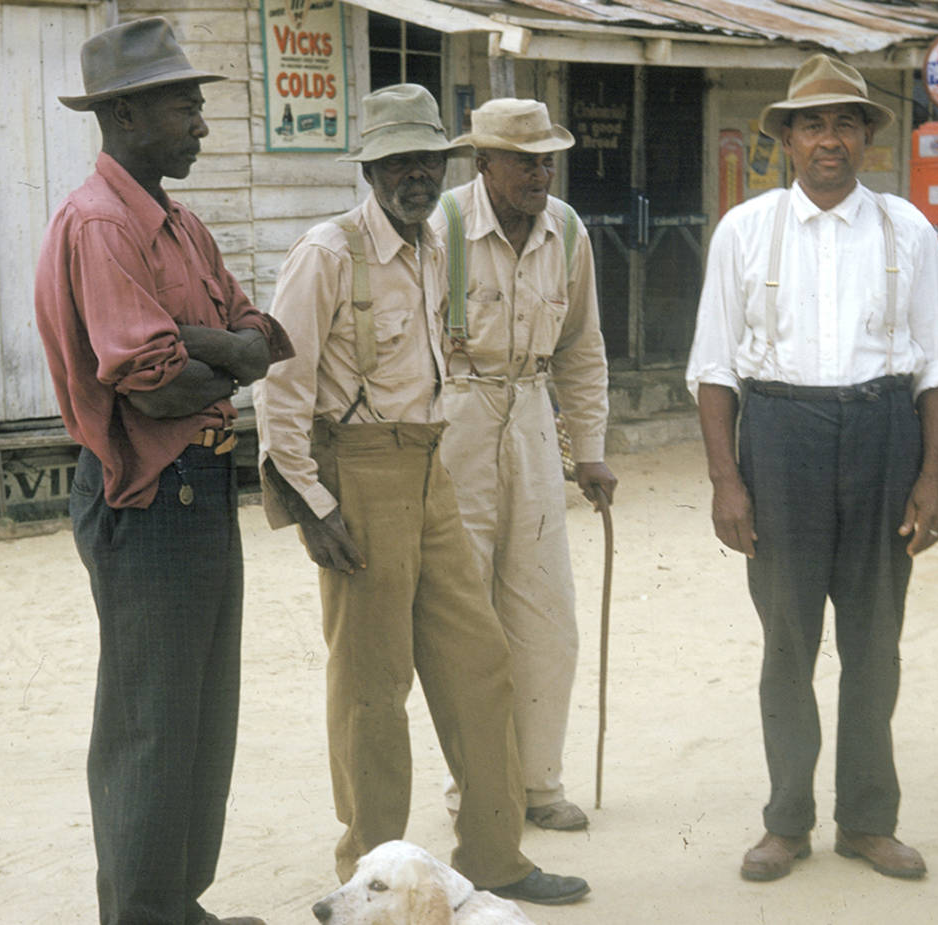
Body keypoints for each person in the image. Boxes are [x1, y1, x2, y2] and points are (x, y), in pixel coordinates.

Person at [251, 83, 589, 906]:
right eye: (396, 162)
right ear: (369, 169)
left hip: (434, 466)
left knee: (481, 662)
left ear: (444, 164)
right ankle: (371, 878)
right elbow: (279, 389)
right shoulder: (327, 252)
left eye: (425, 160)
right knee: (373, 687)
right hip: (359, 474)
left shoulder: (437, 246)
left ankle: (495, 854)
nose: (413, 175)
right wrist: (313, 506)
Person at [33, 18, 293, 925]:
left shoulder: (177, 224)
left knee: (198, 718)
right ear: (126, 113)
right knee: (151, 725)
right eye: (185, 105)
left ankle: (176, 905)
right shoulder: (101, 224)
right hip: (148, 497)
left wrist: (210, 345)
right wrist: (216, 355)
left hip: (204, 487)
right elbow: (153, 386)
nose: (201, 124)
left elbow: (263, 332)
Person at [685, 53, 938, 883]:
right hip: (780, 440)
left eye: (846, 122)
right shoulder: (745, 229)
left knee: (875, 644)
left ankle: (869, 820)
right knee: (788, 644)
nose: (830, 139)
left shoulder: (907, 230)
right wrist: (727, 480)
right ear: (788, 140)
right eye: (813, 124)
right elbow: (714, 368)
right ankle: (788, 820)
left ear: (869, 139)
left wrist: (932, 476)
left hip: (882, 437)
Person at [428, 97, 616, 832]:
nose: (539, 172)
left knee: (546, 613)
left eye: (547, 159)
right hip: (457, 415)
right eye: (523, 160)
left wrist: (591, 451)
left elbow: (582, 346)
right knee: (464, 614)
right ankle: (476, 789)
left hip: (534, 415)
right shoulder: (440, 225)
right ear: (484, 163)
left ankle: (540, 782)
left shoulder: (567, 231)